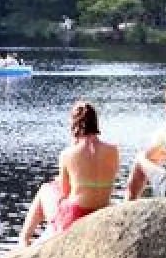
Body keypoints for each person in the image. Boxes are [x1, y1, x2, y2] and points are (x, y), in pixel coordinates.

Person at [19, 100, 119, 246]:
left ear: (74, 125)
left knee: (44, 190)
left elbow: (65, 193)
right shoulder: (113, 150)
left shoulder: (67, 154)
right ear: (95, 122)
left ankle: (24, 239)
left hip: (76, 217)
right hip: (102, 210)